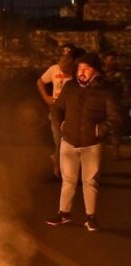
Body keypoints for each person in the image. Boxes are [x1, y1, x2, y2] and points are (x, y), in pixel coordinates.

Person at [46, 52, 121, 231]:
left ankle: (91, 217)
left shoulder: (105, 90)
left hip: (92, 144)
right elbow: (57, 108)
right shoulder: (70, 87)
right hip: (69, 142)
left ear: (95, 71)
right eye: (80, 68)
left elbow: (115, 118)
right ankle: (64, 213)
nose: (82, 71)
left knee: (90, 181)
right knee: (68, 180)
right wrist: (61, 126)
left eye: (86, 68)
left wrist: (100, 129)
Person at [36, 44, 83, 177]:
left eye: (68, 58)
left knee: (71, 138)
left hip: (72, 109)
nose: (64, 61)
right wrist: (46, 97)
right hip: (56, 108)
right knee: (59, 138)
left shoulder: (77, 72)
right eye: (62, 57)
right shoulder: (54, 69)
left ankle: (68, 164)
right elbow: (40, 82)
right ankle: (58, 166)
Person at [101, 50, 129, 159]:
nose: (114, 61)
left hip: (115, 103)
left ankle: (115, 151)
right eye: (111, 59)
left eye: (115, 59)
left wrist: (124, 101)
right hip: (100, 102)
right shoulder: (99, 73)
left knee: (115, 128)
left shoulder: (120, 74)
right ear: (105, 60)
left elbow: (125, 88)